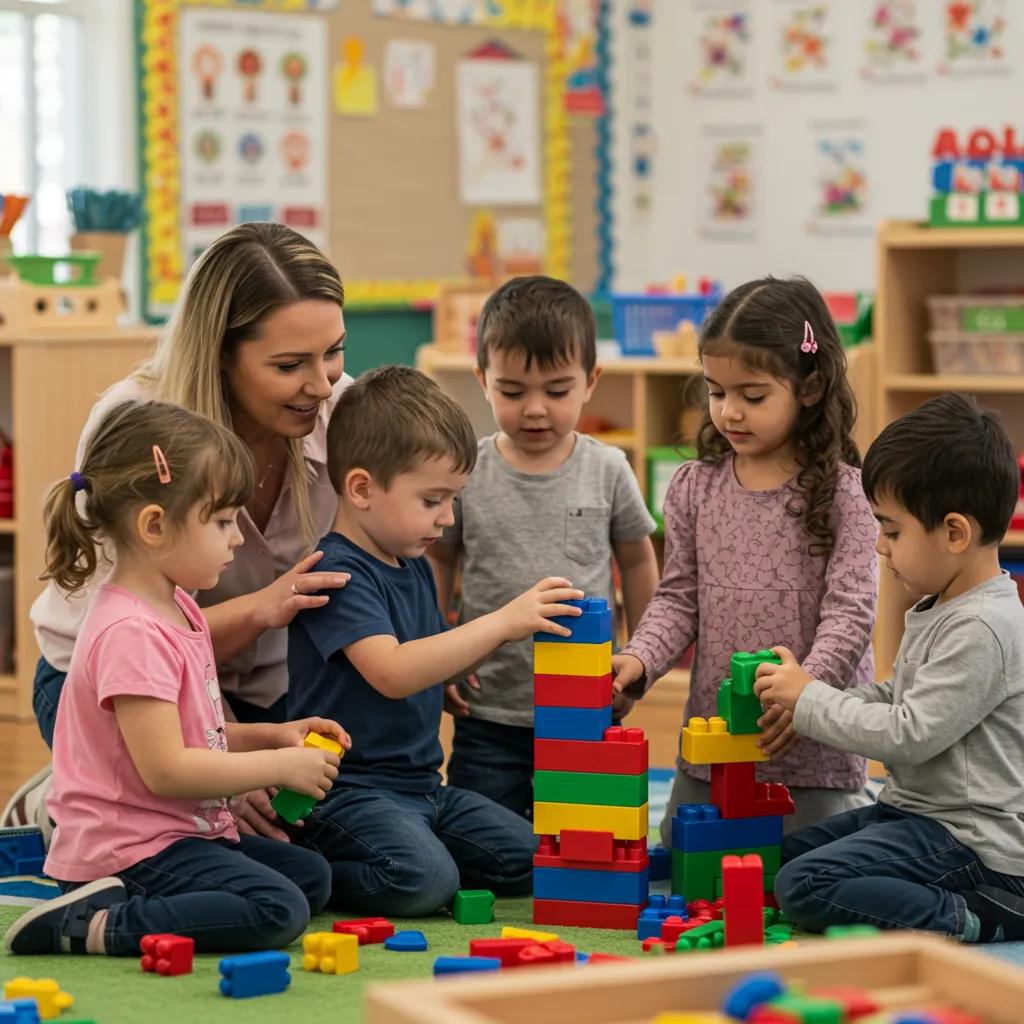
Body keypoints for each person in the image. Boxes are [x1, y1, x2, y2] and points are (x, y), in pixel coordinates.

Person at [10, 222, 351, 842]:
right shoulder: (137, 423)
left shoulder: (339, 410)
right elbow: (124, 637)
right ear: (221, 352)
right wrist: (221, 769)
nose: (322, 384)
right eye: (289, 364)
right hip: (114, 685)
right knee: (195, 835)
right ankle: (62, 800)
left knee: (334, 850)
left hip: (257, 694)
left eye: (333, 351)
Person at [4, 401, 348, 957]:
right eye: (221, 521)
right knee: (277, 908)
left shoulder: (177, 607)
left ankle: (114, 905)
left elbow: (196, 735)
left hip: (177, 834)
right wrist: (280, 765)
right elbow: (167, 769)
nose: (237, 538)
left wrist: (273, 735)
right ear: (155, 525)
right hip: (128, 853)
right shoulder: (131, 632)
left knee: (309, 877)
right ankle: (89, 922)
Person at [287, 366, 582, 916]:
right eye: (432, 500)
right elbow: (392, 671)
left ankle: (416, 849)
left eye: (452, 499)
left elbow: (416, 652)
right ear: (361, 488)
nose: (447, 518)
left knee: (530, 855)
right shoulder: (336, 573)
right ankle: (306, 860)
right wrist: (500, 622)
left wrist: (445, 673)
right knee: (423, 882)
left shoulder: (409, 558)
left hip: (422, 788)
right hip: (347, 794)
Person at [612, 276, 879, 842]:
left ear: (809, 388)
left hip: (812, 745)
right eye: (716, 392)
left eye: (752, 396)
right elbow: (678, 599)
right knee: (682, 853)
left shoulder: (845, 492)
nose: (729, 412)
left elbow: (851, 612)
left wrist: (806, 690)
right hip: (715, 742)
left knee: (813, 872)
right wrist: (636, 663)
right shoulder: (694, 487)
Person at [757, 393, 1024, 942]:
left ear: (955, 533)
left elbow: (909, 734)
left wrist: (810, 701)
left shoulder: (984, 626)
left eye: (892, 530)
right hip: (910, 813)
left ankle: (974, 914)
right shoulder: (943, 605)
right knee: (780, 857)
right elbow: (897, 696)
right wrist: (807, 696)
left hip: (969, 840)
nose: (880, 546)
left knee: (804, 885)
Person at [428, 275, 658, 817]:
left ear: (590, 381)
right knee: (482, 843)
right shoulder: (469, 470)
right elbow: (439, 560)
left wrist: (638, 657)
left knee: (590, 838)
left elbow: (638, 560)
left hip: (586, 705)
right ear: (483, 380)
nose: (535, 409)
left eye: (556, 391)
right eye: (512, 391)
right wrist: (440, 651)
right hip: (490, 710)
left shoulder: (607, 468)